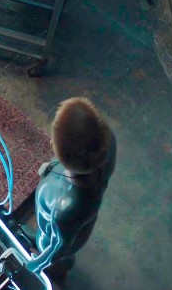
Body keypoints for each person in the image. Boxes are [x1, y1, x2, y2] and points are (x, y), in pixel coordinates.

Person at [25, 97, 116, 278]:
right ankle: (59, 261)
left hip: (51, 238)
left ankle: (58, 269)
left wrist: (37, 263)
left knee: (54, 249)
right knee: (66, 238)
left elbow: (60, 245)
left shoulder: (66, 207)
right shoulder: (108, 142)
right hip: (74, 225)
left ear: (53, 145)